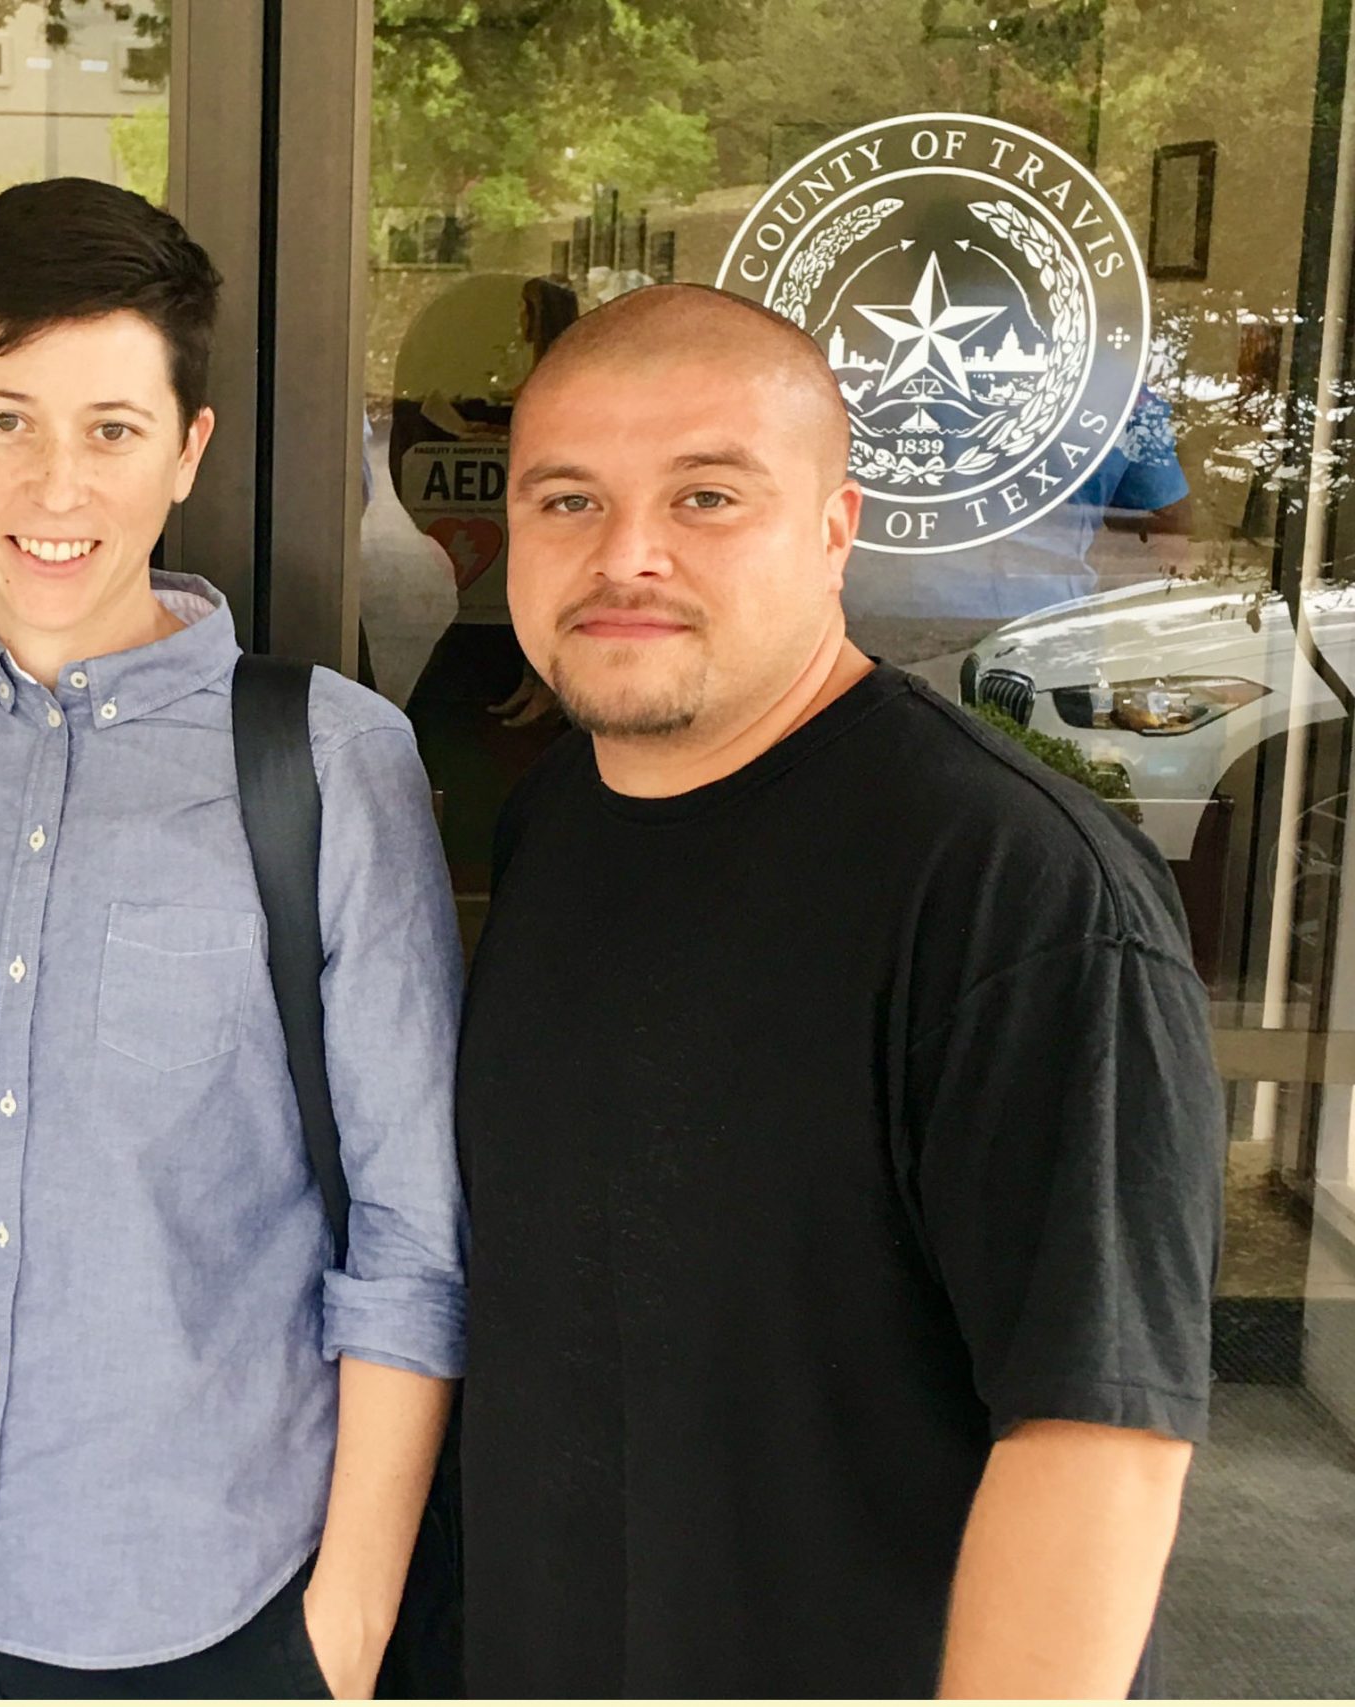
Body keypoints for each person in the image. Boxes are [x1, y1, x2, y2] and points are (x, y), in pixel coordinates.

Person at [455, 282, 1223, 1697]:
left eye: (706, 498)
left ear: (832, 529)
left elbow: (1097, 1441)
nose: (626, 555)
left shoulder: (1015, 892)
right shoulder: (560, 817)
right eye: (567, 501)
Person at [0, 178, 467, 1699]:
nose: (57, 484)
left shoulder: (331, 761)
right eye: (6, 419)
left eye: (113, 429)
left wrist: (348, 1627)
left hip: (213, 1588)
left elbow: (412, 1230)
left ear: (187, 451)